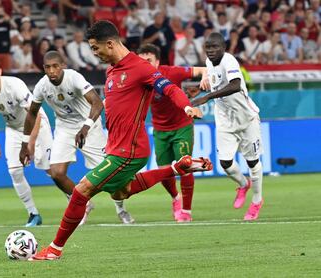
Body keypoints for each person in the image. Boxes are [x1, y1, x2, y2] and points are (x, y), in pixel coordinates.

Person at [20, 20, 212, 261]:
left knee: (81, 191)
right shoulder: (111, 69)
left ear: (109, 44)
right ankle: (177, 167)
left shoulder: (141, 68)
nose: (95, 54)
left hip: (130, 149)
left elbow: (169, 88)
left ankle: (54, 249)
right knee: (121, 192)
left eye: (95, 48)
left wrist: (186, 107)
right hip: (115, 146)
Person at [29, 50, 135, 224]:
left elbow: (97, 102)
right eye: (48, 67)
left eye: (55, 66)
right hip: (64, 128)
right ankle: (83, 204)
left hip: (89, 126)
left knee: (110, 176)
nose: (52, 71)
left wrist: (85, 127)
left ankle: (121, 209)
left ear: (63, 65)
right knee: (56, 173)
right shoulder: (42, 86)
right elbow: (32, 112)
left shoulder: (74, 78)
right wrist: (27, 142)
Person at [191, 32, 264, 221]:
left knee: (253, 162)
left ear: (223, 48)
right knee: (225, 163)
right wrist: (203, 83)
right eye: (208, 47)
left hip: (246, 118)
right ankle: (242, 184)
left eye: (215, 47)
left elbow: (235, 85)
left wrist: (206, 97)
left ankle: (256, 201)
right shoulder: (209, 62)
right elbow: (213, 79)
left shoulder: (229, 61)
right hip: (225, 120)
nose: (211, 51)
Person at [137, 43, 209, 222]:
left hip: (181, 126)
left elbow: (201, 69)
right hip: (160, 130)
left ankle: (186, 210)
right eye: (142, 60)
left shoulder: (172, 72)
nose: (145, 63)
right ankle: (176, 198)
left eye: (149, 60)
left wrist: (205, 77)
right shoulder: (138, 78)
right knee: (164, 171)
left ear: (158, 62)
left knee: (184, 166)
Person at [0, 57, 52, 227]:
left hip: (37, 125)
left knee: (51, 170)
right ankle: (33, 214)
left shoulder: (14, 85)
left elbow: (35, 114)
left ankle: (74, 201)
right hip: (13, 129)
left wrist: (30, 143)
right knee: (14, 171)